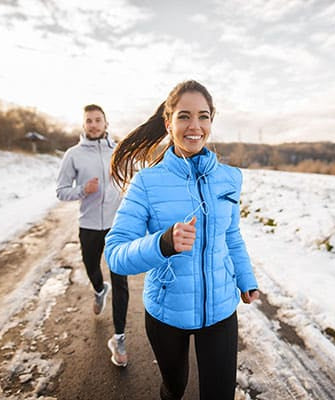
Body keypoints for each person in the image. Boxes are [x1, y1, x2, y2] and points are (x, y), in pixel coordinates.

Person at [105, 80, 260, 399]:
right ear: (168, 122)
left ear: (211, 122)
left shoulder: (230, 178)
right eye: (184, 116)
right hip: (167, 311)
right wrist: (163, 243)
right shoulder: (147, 182)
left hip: (220, 310)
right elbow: (116, 253)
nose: (195, 126)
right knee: (174, 388)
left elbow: (231, 235)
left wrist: (245, 278)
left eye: (203, 116)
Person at [56, 104, 129, 367]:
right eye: (89, 121)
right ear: (84, 125)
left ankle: (119, 338)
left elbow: (128, 180)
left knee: (121, 281)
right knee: (92, 268)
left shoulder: (118, 151)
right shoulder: (73, 155)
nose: (94, 124)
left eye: (98, 120)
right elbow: (62, 190)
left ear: (106, 123)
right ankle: (99, 290)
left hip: (117, 226)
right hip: (88, 225)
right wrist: (83, 190)